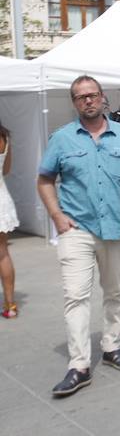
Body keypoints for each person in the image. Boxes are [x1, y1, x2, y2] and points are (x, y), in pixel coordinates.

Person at [37, 76, 120, 397]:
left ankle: (112, 346)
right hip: (76, 230)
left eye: (92, 95)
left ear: (102, 98)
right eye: (80, 97)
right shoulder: (62, 139)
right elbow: (45, 180)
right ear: (74, 102)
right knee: (76, 295)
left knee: (115, 292)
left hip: (116, 228)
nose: (87, 101)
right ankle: (78, 365)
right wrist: (57, 217)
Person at [0, 118, 18, 319]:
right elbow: (6, 170)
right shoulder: (4, 136)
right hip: (1, 198)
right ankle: (11, 305)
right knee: (3, 254)